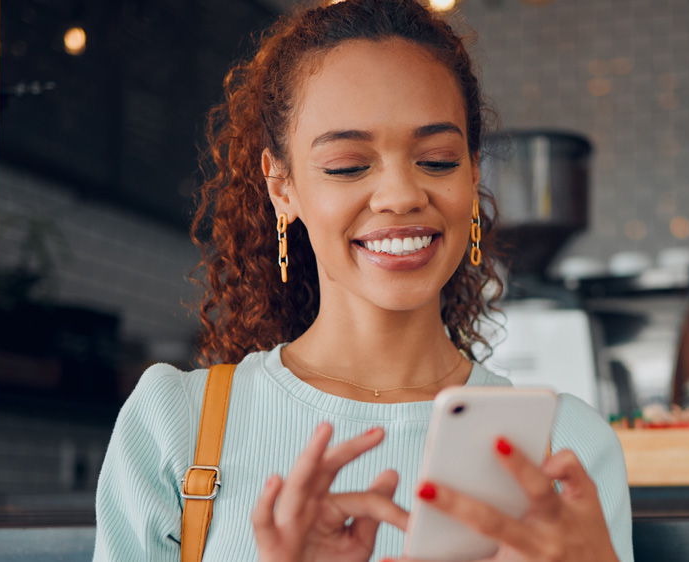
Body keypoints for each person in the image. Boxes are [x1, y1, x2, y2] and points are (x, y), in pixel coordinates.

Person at [93, 1, 632, 560]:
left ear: (473, 174)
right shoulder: (174, 425)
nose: (401, 195)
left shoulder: (567, 447)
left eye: (439, 160)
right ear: (282, 186)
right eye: (348, 166)